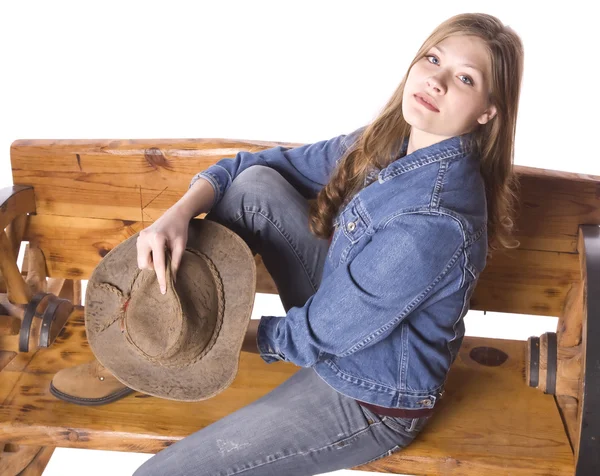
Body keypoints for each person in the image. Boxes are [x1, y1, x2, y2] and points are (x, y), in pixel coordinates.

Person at [133, 12, 524, 476]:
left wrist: (211, 340)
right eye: (432, 58)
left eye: (464, 77)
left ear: (487, 111)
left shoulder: (436, 218)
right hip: (340, 318)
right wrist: (177, 213)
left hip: (369, 393)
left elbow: (319, 334)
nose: (436, 81)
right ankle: (164, 329)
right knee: (256, 187)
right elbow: (254, 165)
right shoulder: (387, 142)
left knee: (159, 475)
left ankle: (175, 340)